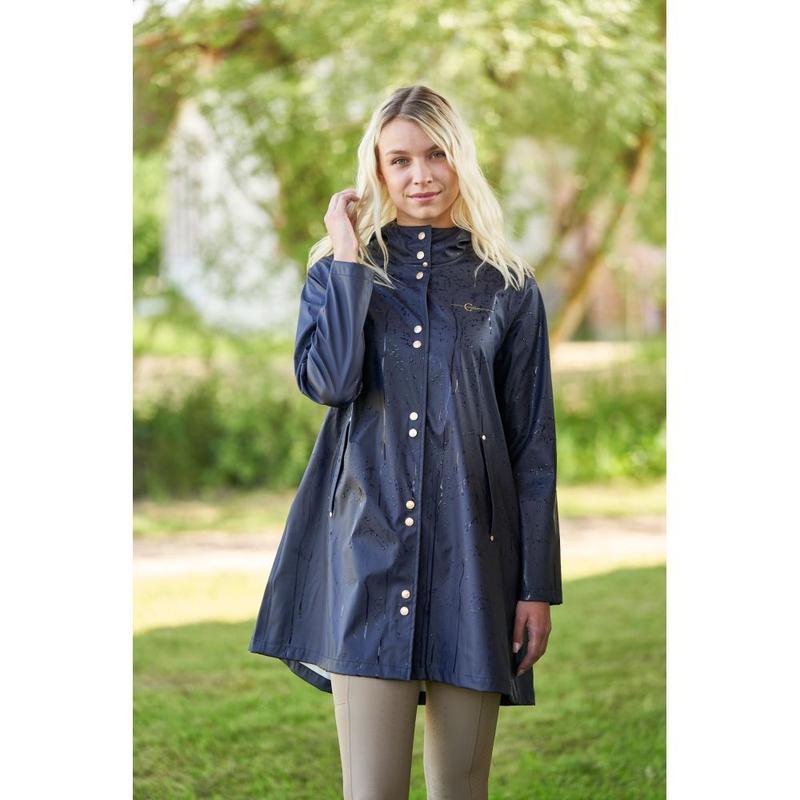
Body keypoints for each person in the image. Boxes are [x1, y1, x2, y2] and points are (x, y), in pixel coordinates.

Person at [249, 84, 563, 800]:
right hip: (366, 554)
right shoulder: (339, 272)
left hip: (475, 561)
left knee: (462, 788)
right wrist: (347, 256)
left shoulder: (508, 285)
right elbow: (330, 383)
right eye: (400, 160)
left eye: (436, 154)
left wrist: (536, 588)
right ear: (378, 170)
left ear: (461, 160)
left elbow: (532, 445)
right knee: (372, 789)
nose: (421, 174)